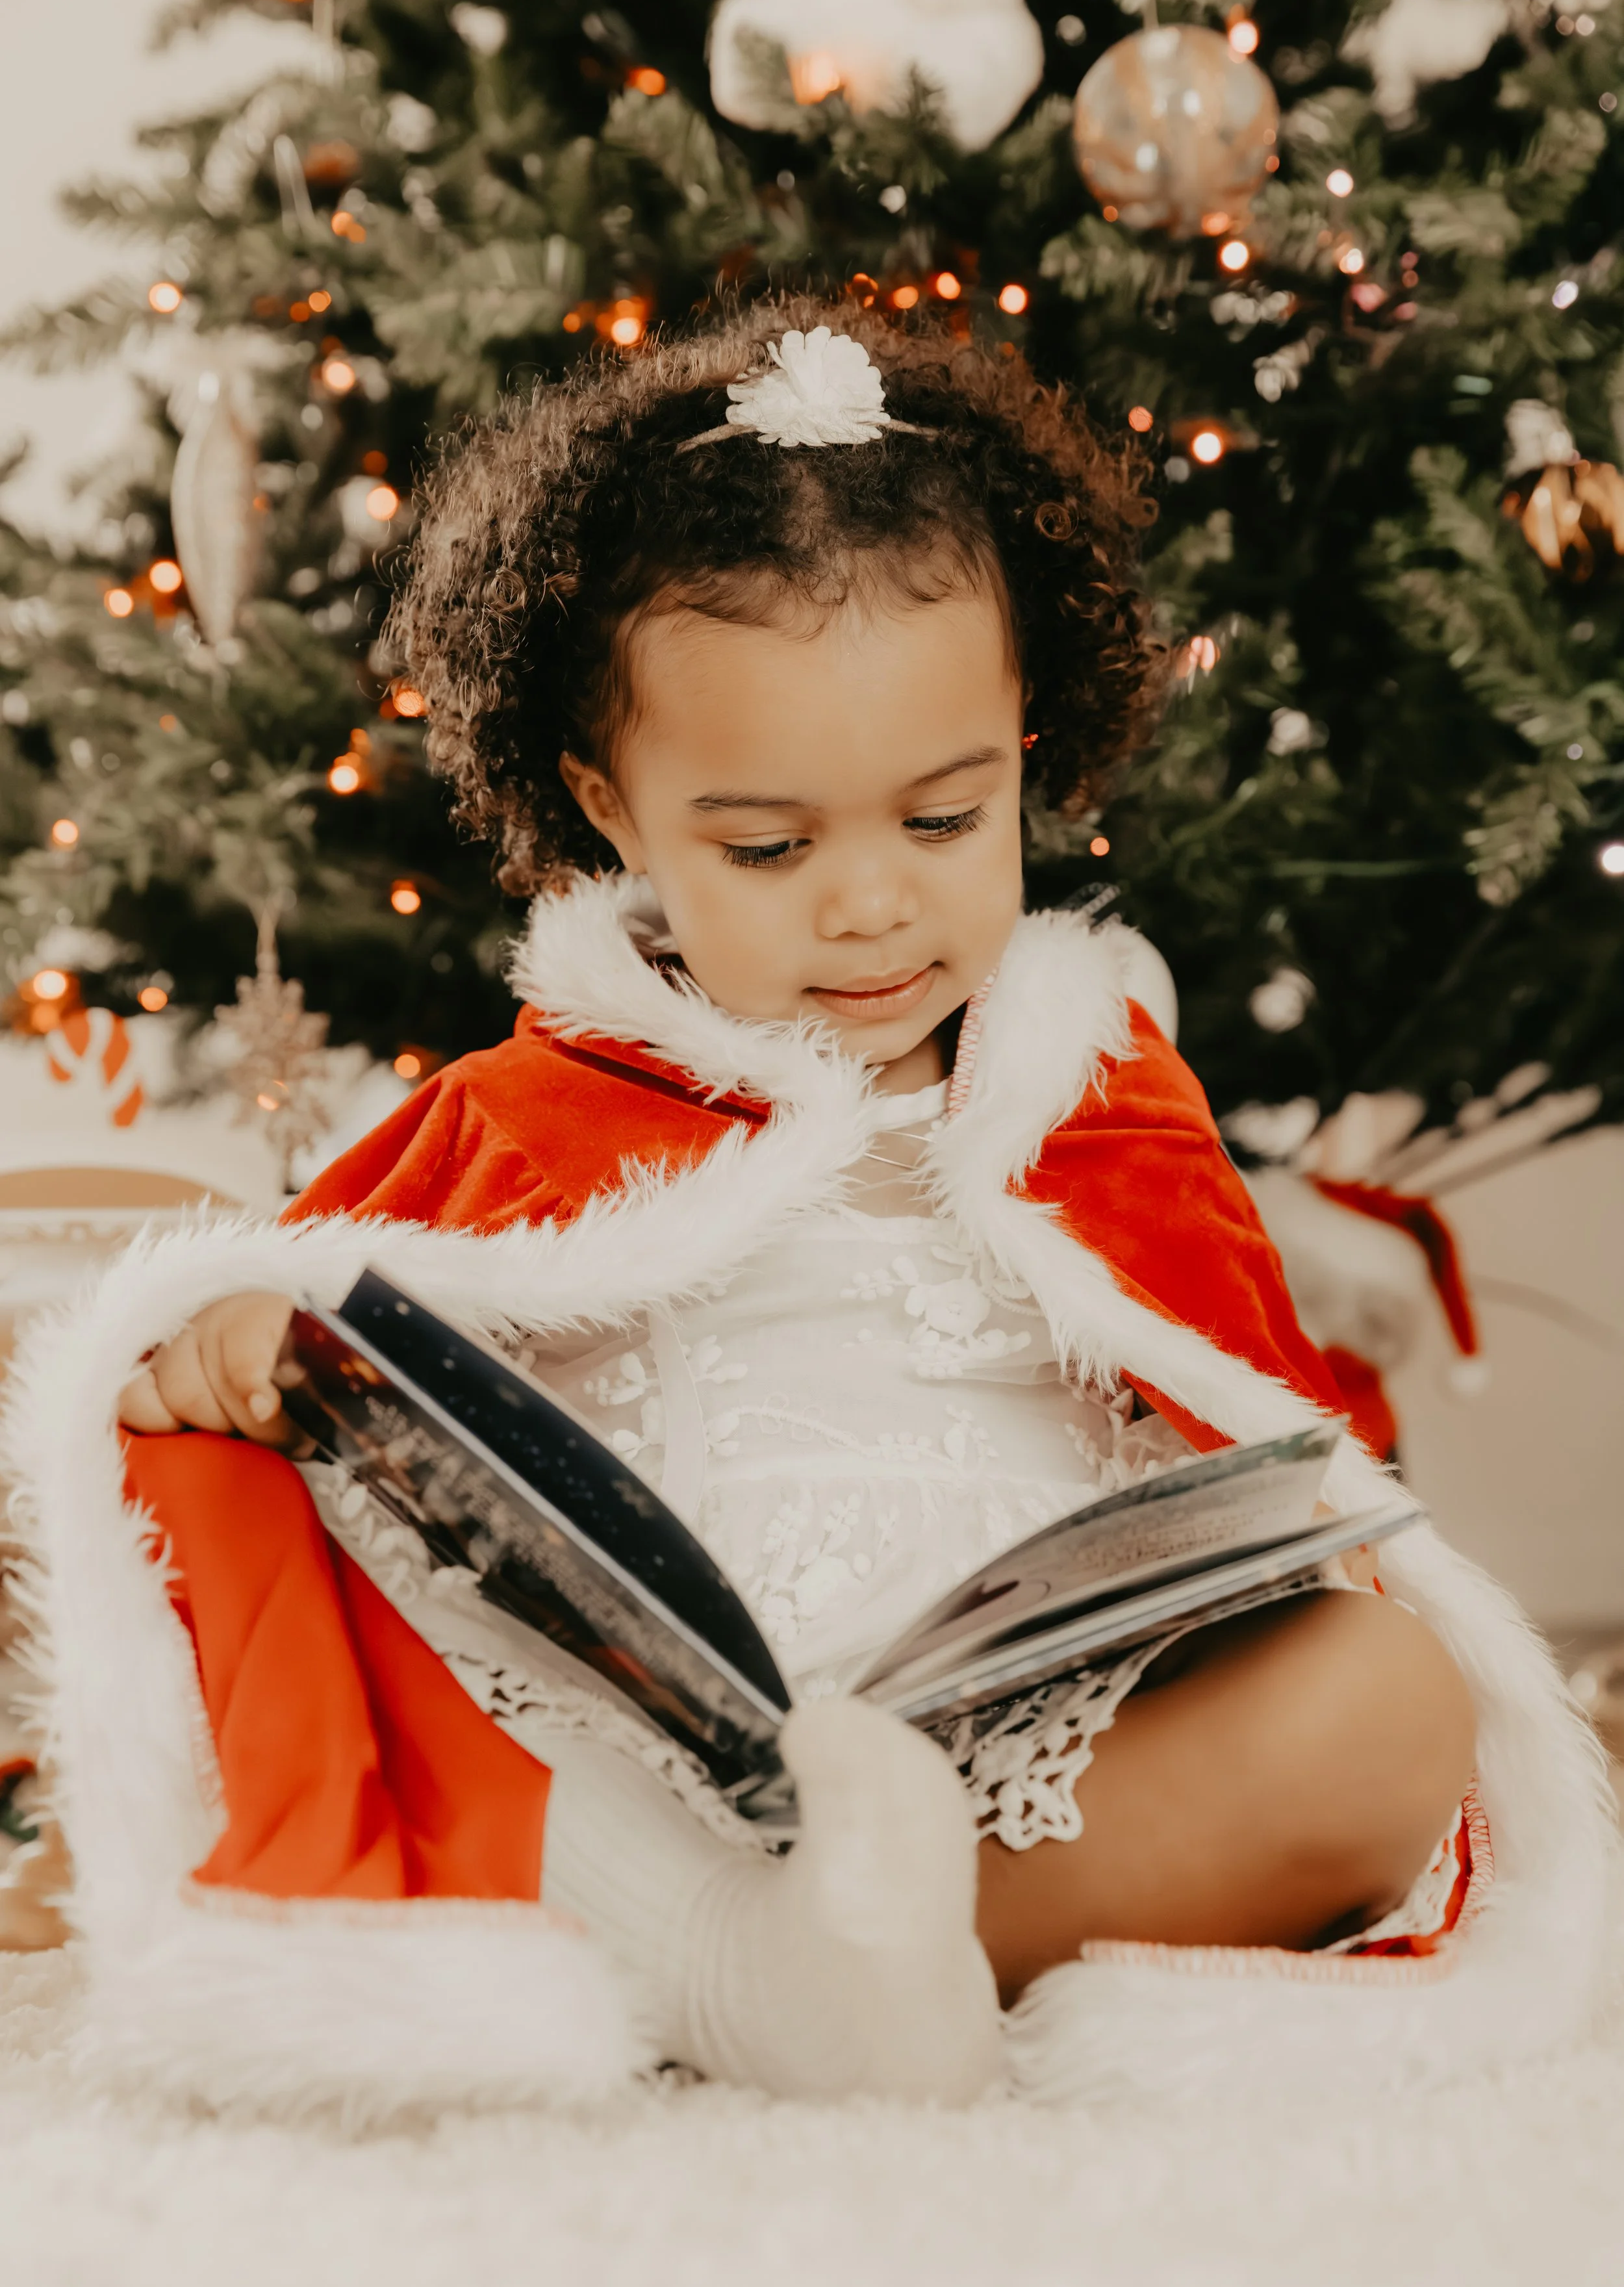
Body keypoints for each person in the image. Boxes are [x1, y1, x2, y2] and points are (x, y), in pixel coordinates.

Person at [118, 303, 1484, 2104]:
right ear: (613, 810)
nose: (869, 908)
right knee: (428, 1657)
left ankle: (868, 1960)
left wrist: (1257, 1560)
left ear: (1026, 749)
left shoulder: (1099, 1103)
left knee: (1399, 1698)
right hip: (673, 1753)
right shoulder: (534, 1115)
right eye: (768, 849)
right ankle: (729, 1955)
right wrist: (231, 1338)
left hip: (1019, 1751)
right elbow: (319, 1359)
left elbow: (1247, 1413)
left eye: (943, 821)